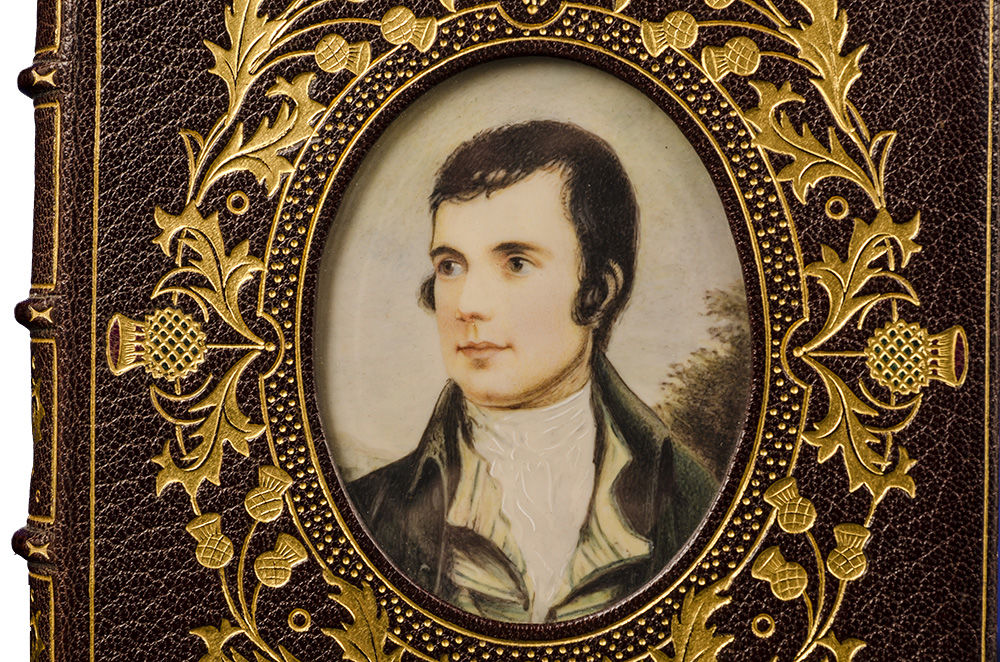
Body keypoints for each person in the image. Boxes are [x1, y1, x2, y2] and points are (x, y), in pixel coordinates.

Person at [348, 120, 717, 623]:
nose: (468, 304)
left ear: (597, 292)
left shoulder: (692, 502)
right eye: (451, 265)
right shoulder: (369, 512)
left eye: (516, 263)